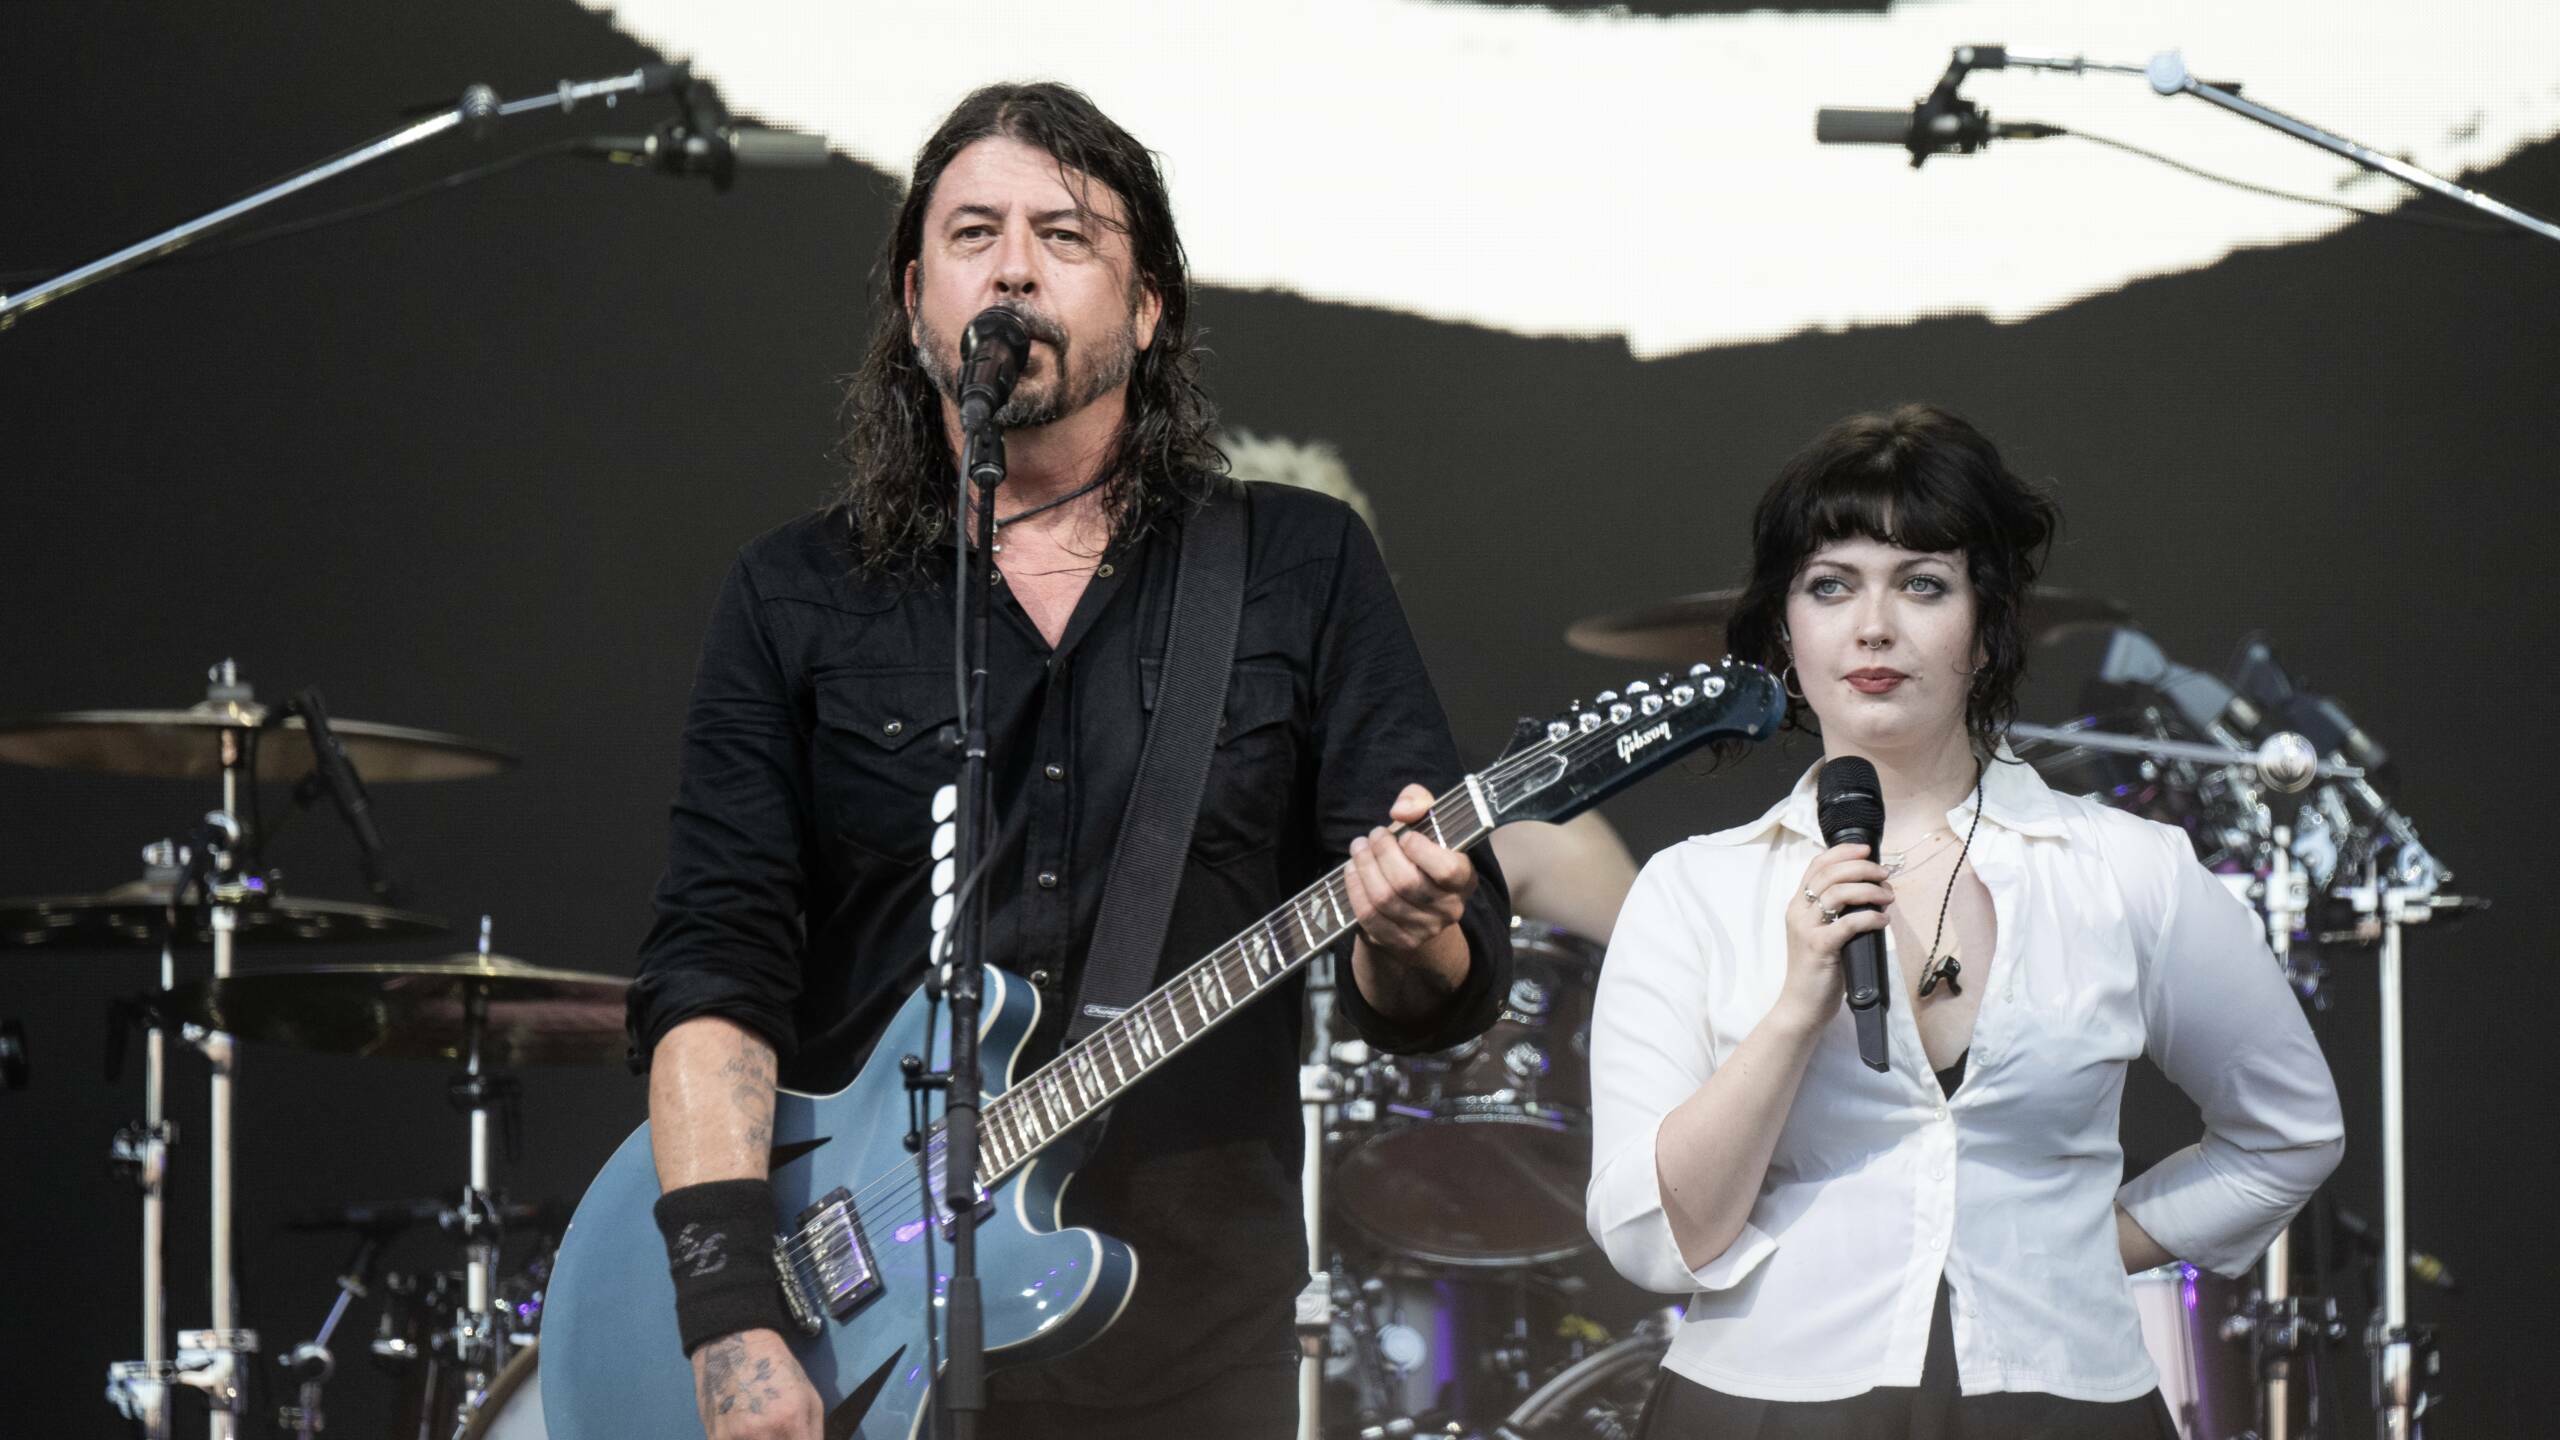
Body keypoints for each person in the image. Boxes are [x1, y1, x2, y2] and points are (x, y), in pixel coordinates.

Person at [625, 82, 1512, 1440]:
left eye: (1066, 234)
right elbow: (711, 965)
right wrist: (729, 1315)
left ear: (1147, 308)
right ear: (915, 295)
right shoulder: (796, 594)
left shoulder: (1295, 563)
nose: (1014, 268)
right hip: (855, 1339)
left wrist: (1413, 930)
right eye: (973, 233)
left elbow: (1437, 990)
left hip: (1192, 1340)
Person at [1584, 404, 2344, 1437]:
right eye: (1830, 585)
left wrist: (2079, 1249)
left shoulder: (2129, 870)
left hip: (2063, 1399)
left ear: (1987, 629)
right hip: (1766, 1404)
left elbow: (2287, 1133)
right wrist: (1794, 1011)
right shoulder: (1694, 891)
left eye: (1923, 584)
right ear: (1784, 632)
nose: (1873, 626)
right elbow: (1654, 1241)